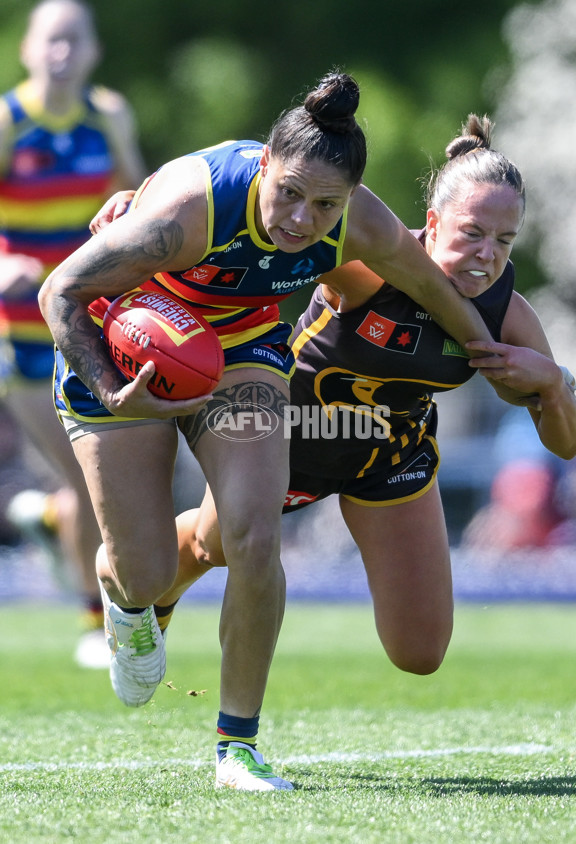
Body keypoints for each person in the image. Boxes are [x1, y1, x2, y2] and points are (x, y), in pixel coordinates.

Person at [39, 72, 499, 791]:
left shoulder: (360, 223)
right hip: (123, 342)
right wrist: (107, 385)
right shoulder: (188, 214)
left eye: (324, 205)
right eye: (288, 193)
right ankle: (123, 592)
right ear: (262, 167)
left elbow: (430, 288)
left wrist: (489, 353)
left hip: (240, 354)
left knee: (254, 531)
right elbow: (59, 289)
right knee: (147, 571)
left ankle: (238, 749)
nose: (300, 220)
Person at [148, 115, 576, 750]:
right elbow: (259, 231)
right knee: (215, 547)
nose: (487, 254)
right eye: (471, 233)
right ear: (430, 225)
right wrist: (153, 212)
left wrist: (553, 382)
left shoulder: (509, 315)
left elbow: (565, 445)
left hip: (390, 461)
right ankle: (157, 585)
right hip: (290, 435)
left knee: (421, 653)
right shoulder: (365, 263)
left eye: (504, 240)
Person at [0, 0, 146, 667]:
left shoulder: (108, 114)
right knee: (86, 474)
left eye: (74, 40)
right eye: (50, 40)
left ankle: (56, 525)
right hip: (21, 332)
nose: (62, 51)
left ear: (91, 52)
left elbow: (140, 200)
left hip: (88, 324)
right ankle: (95, 624)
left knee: (88, 472)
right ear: (28, 49)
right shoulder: (9, 119)